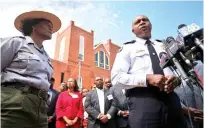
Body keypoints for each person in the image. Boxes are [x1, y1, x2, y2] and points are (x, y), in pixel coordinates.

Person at [111, 15, 186, 128]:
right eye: (138, 22)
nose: (142, 22)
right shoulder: (127, 48)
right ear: (133, 30)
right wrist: (147, 79)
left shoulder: (163, 45)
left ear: (150, 24)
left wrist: (176, 81)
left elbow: (178, 71)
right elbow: (116, 78)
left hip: (172, 101)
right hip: (143, 103)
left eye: (145, 20)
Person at [1, 10, 61, 128]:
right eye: (47, 24)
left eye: (51, 26)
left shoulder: (46, 57)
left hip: (40, 108)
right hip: (14, 104)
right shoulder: (16, 42)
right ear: (34, 26)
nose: (51, 27)